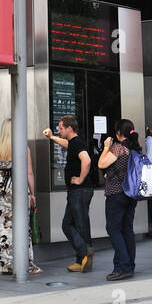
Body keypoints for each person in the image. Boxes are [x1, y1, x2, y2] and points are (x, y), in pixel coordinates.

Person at [0, 119, 41, 276]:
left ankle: (0, 266)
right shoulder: (22, 146)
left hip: (1, 190)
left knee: (1, 227)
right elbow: (29, 173)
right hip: (18, 190)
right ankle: (24, 264)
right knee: (21, 226)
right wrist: (32, 193)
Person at [43, 115, 95, 273]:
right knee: (78, 224)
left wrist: (80, 179)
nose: (59, 130)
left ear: (69, 128)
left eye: (60, 128)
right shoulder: (74, 142)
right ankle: (81, 259)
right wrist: (51, 137)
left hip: (79, 190)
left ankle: (85, 251)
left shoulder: (77, 142)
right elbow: (66, 144)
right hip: (79, 191)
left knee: (71, 224)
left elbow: (86, 160)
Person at [97, 119, 140, 280]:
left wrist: (107, 146)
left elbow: (101, 163)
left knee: (114, 229)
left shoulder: (118, 148)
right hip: (131, 194)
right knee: (127, 229)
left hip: (116, 194)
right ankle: (129, 265)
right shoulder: (135, 148)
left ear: (117, 133)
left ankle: (122, 266)